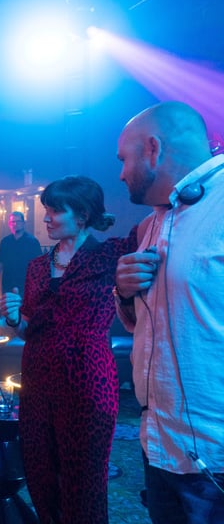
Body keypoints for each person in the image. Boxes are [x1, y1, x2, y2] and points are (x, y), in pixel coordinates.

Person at [0, 176, 137, 523]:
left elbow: (158, 227)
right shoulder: (37, 268)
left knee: (84, 482)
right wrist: (15, 318)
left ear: (83, 215)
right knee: (41, 474)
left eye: (55, 211)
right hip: (39, 379)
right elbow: (29, 330)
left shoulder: (111, 255)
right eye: (46, 210)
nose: (46, 218)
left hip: (88, 379)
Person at [114, 101, 224, 522]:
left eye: (125, 159)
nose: (121, 173)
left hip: (214, 459)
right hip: (159, 446)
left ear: (153, 150)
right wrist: (125, 292)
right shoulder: (151, 224)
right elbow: (148, 322)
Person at [0, 211, 42, 293]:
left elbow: (39, 263)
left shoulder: (32, 242)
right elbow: (1, 262)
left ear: (23, 223)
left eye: (18, 221)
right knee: (9, 305)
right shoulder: (4, 242)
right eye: (13, 222)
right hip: (8, 283)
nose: (15, 224)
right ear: (9, 224)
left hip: (27, 283)